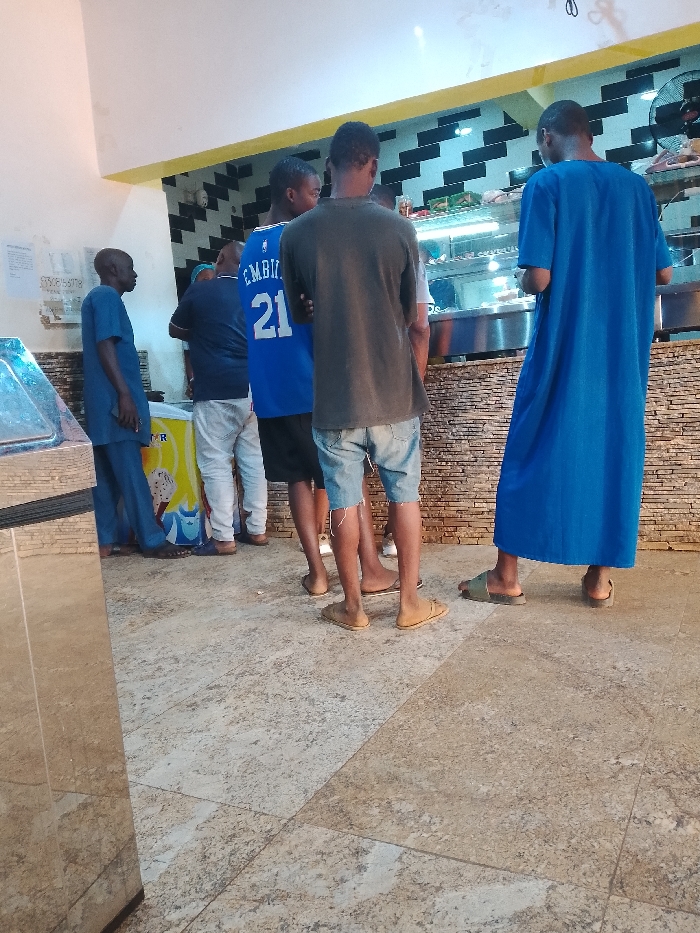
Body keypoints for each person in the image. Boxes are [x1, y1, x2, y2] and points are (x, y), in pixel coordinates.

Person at [459, 100, 673, 608]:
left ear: (547, 137)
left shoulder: (546, 184)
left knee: (529, 448)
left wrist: (523, 278)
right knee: (614, 452)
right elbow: (664, 273)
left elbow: (538, 278)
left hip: (563, 346)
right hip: (621, 355)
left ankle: (506, 576)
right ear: (589, 134)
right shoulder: (637, 188)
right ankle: (598, 581)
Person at [280, 121, 448, 631]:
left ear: (328, 165)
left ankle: (353, 607)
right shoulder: (399, 229)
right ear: (373, 166)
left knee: (344, 502)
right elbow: (414, 319)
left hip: (334, 397)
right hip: (393, 393)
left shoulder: (296, 234)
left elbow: (299, 313)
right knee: (404, 496)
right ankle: (409, 604)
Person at [239, 156, 400, 599]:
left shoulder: (248, 248)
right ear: (291, 195)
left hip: (269, 387)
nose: (319, 199)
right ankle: (370, 568)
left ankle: (317, 573)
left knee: (297, 480)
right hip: (313, 381)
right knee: (346, 477)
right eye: (313, 192)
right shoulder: (303, 237)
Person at [81, 248, 189, 559]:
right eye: (130, 267)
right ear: (114, 269)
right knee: (131, 475)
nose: (135, 274)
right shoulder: (106, 296)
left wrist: (138, 392)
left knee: (104, 480)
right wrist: (125, 395)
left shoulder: (97, 299)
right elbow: (105, 345)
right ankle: (152, 541)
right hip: (115, 406)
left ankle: (103, 542)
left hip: (102, 405)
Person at [169, 241, 268, 555]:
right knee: (253, 461)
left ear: (221, 258)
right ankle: (257, 530)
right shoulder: (254, 292)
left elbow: (175, 329)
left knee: (216, 463)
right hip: (253, 391)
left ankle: (224, 538)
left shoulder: (201, 291)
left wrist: (204, 331)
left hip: (215, 390)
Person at [370, 184, 432, 557]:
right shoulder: (406, 249)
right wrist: (416, 384)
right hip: (396, 379)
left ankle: (363, 558)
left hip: (351, 380)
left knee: (352, 476)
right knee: (401, 477)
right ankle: (394, 543)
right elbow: (420, 326)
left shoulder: (339, 250)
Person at [183, 263, 216, 399]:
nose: (211, 284)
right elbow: (188, 355)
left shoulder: (227, 309)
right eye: (205, 280)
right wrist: (192, 380)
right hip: (204, 383)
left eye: (214, 280)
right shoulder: (189, 316)